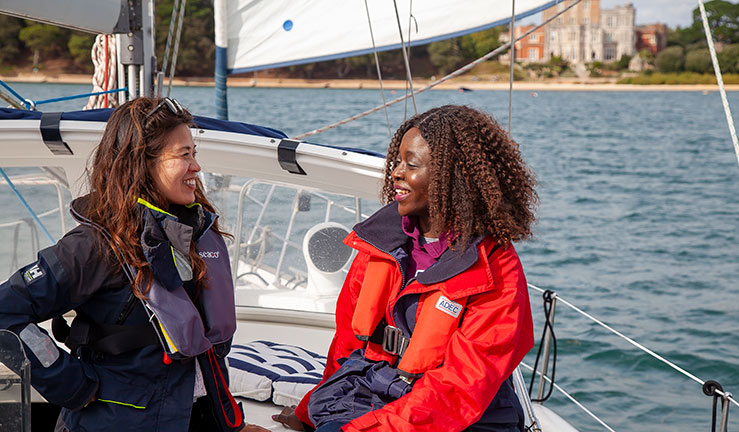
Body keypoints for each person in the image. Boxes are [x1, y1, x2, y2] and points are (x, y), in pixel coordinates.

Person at [0, 97, 268, 432]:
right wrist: (72, 386)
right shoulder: (94, 246)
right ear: (142, 163)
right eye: (184, 155)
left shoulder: (192, 234)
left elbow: (201, 353)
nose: (196, 167)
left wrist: (232, 424)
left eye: (194, 153)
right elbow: (5, 312)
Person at [273, 105, 538, 432]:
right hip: (374, 390)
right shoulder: (378, 243)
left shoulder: (495, 270)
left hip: (463, 417)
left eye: (411, 165)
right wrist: (307, 415)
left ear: (453, 176)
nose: (396, 172)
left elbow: (459, 388)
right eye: (397, 161)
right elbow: (346, 345)